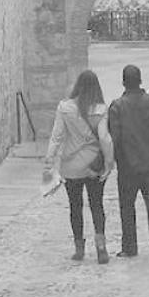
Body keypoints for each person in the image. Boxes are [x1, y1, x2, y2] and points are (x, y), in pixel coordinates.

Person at [107, 63, 149, 261]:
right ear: (140, 81)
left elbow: (115, 137)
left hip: (128, 166)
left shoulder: (117, 107)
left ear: (123, 82)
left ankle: (129, 246)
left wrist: (113, 160)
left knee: (127, 206)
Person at [43, 69, 114, 263]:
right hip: (93, 165)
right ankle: (101, 246)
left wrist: (49, 160)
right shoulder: (100, 109)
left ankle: (79, 248)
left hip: (71, 165)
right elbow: (105, 138)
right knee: (97, 205)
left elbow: (57, 137)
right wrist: (109, 162)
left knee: (75, 206)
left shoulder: (64, 108)